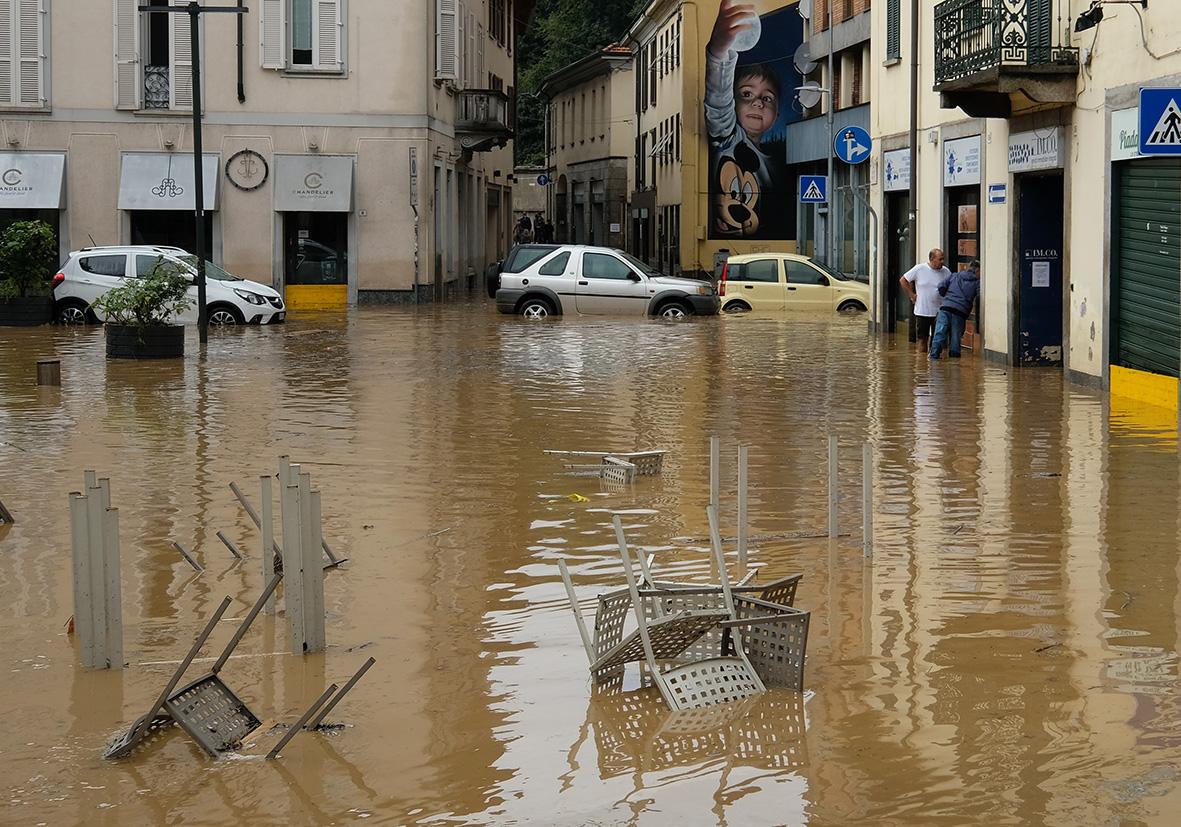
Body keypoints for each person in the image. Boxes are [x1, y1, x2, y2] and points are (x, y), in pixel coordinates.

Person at [705, 0, 784, 238]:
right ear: (733, 100)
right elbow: (718, 103)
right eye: (747, 94)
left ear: (777, 114)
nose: (757, 103)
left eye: (767, 98)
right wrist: (720, 53)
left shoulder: (779, 159)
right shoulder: (728, 138)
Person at [900, 248, 951, 352]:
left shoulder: (946, 272)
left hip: (940, 311)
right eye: (940, 259)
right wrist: (912, 295)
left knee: (938, 340)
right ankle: (922, 365)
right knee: (923, 340)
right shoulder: (920, 269)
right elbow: (903, 280)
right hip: (923, 311)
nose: (942, 262)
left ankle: (935, 364)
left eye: (943, 259)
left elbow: (952, 287)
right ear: (932, 259)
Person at [930, 260, 981, 360]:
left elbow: (941, 286)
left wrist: (947, 297)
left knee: (940, 333)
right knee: (956, 337)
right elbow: (979, 297)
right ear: (978, 271)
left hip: (945, 308)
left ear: (967, 267)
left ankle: (933, 357)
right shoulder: (977, 283)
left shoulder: (954, 276)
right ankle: (954, 363)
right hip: (960, 313)